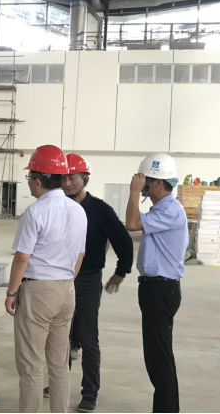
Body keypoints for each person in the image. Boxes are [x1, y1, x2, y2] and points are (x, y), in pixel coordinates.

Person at [5, 145, 87, 414]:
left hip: (38, 291)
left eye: (29, 177)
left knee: (31, 364)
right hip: (66, 289)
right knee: (59, 363)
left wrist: (11, 292)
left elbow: (22, 258)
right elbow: (80, 254)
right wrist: (66, 280)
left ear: (38, 180)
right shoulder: (78, 210)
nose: (29, 182)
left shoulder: (35, 212)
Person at [61, 153, 134, 414]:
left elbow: (123, 240)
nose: (67, 182)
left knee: (88, 336)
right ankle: (58, 384)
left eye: (72, 177)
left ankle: (89, 393)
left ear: (85, 178)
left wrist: (121, 271)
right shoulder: (57, 206)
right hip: (60, 278)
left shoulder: (100, 209)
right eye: (63, 177)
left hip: (88, 279)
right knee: (60, 335)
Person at [125, 153, 187, 414]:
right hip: (157, 288)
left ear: (158, 183)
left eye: (146, 181)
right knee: (158, 356)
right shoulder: (163, 209)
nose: (143, 186)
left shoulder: (170, 210)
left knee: (159, 359)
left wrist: (133, 192)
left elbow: (132, 223)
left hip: (160, 290)